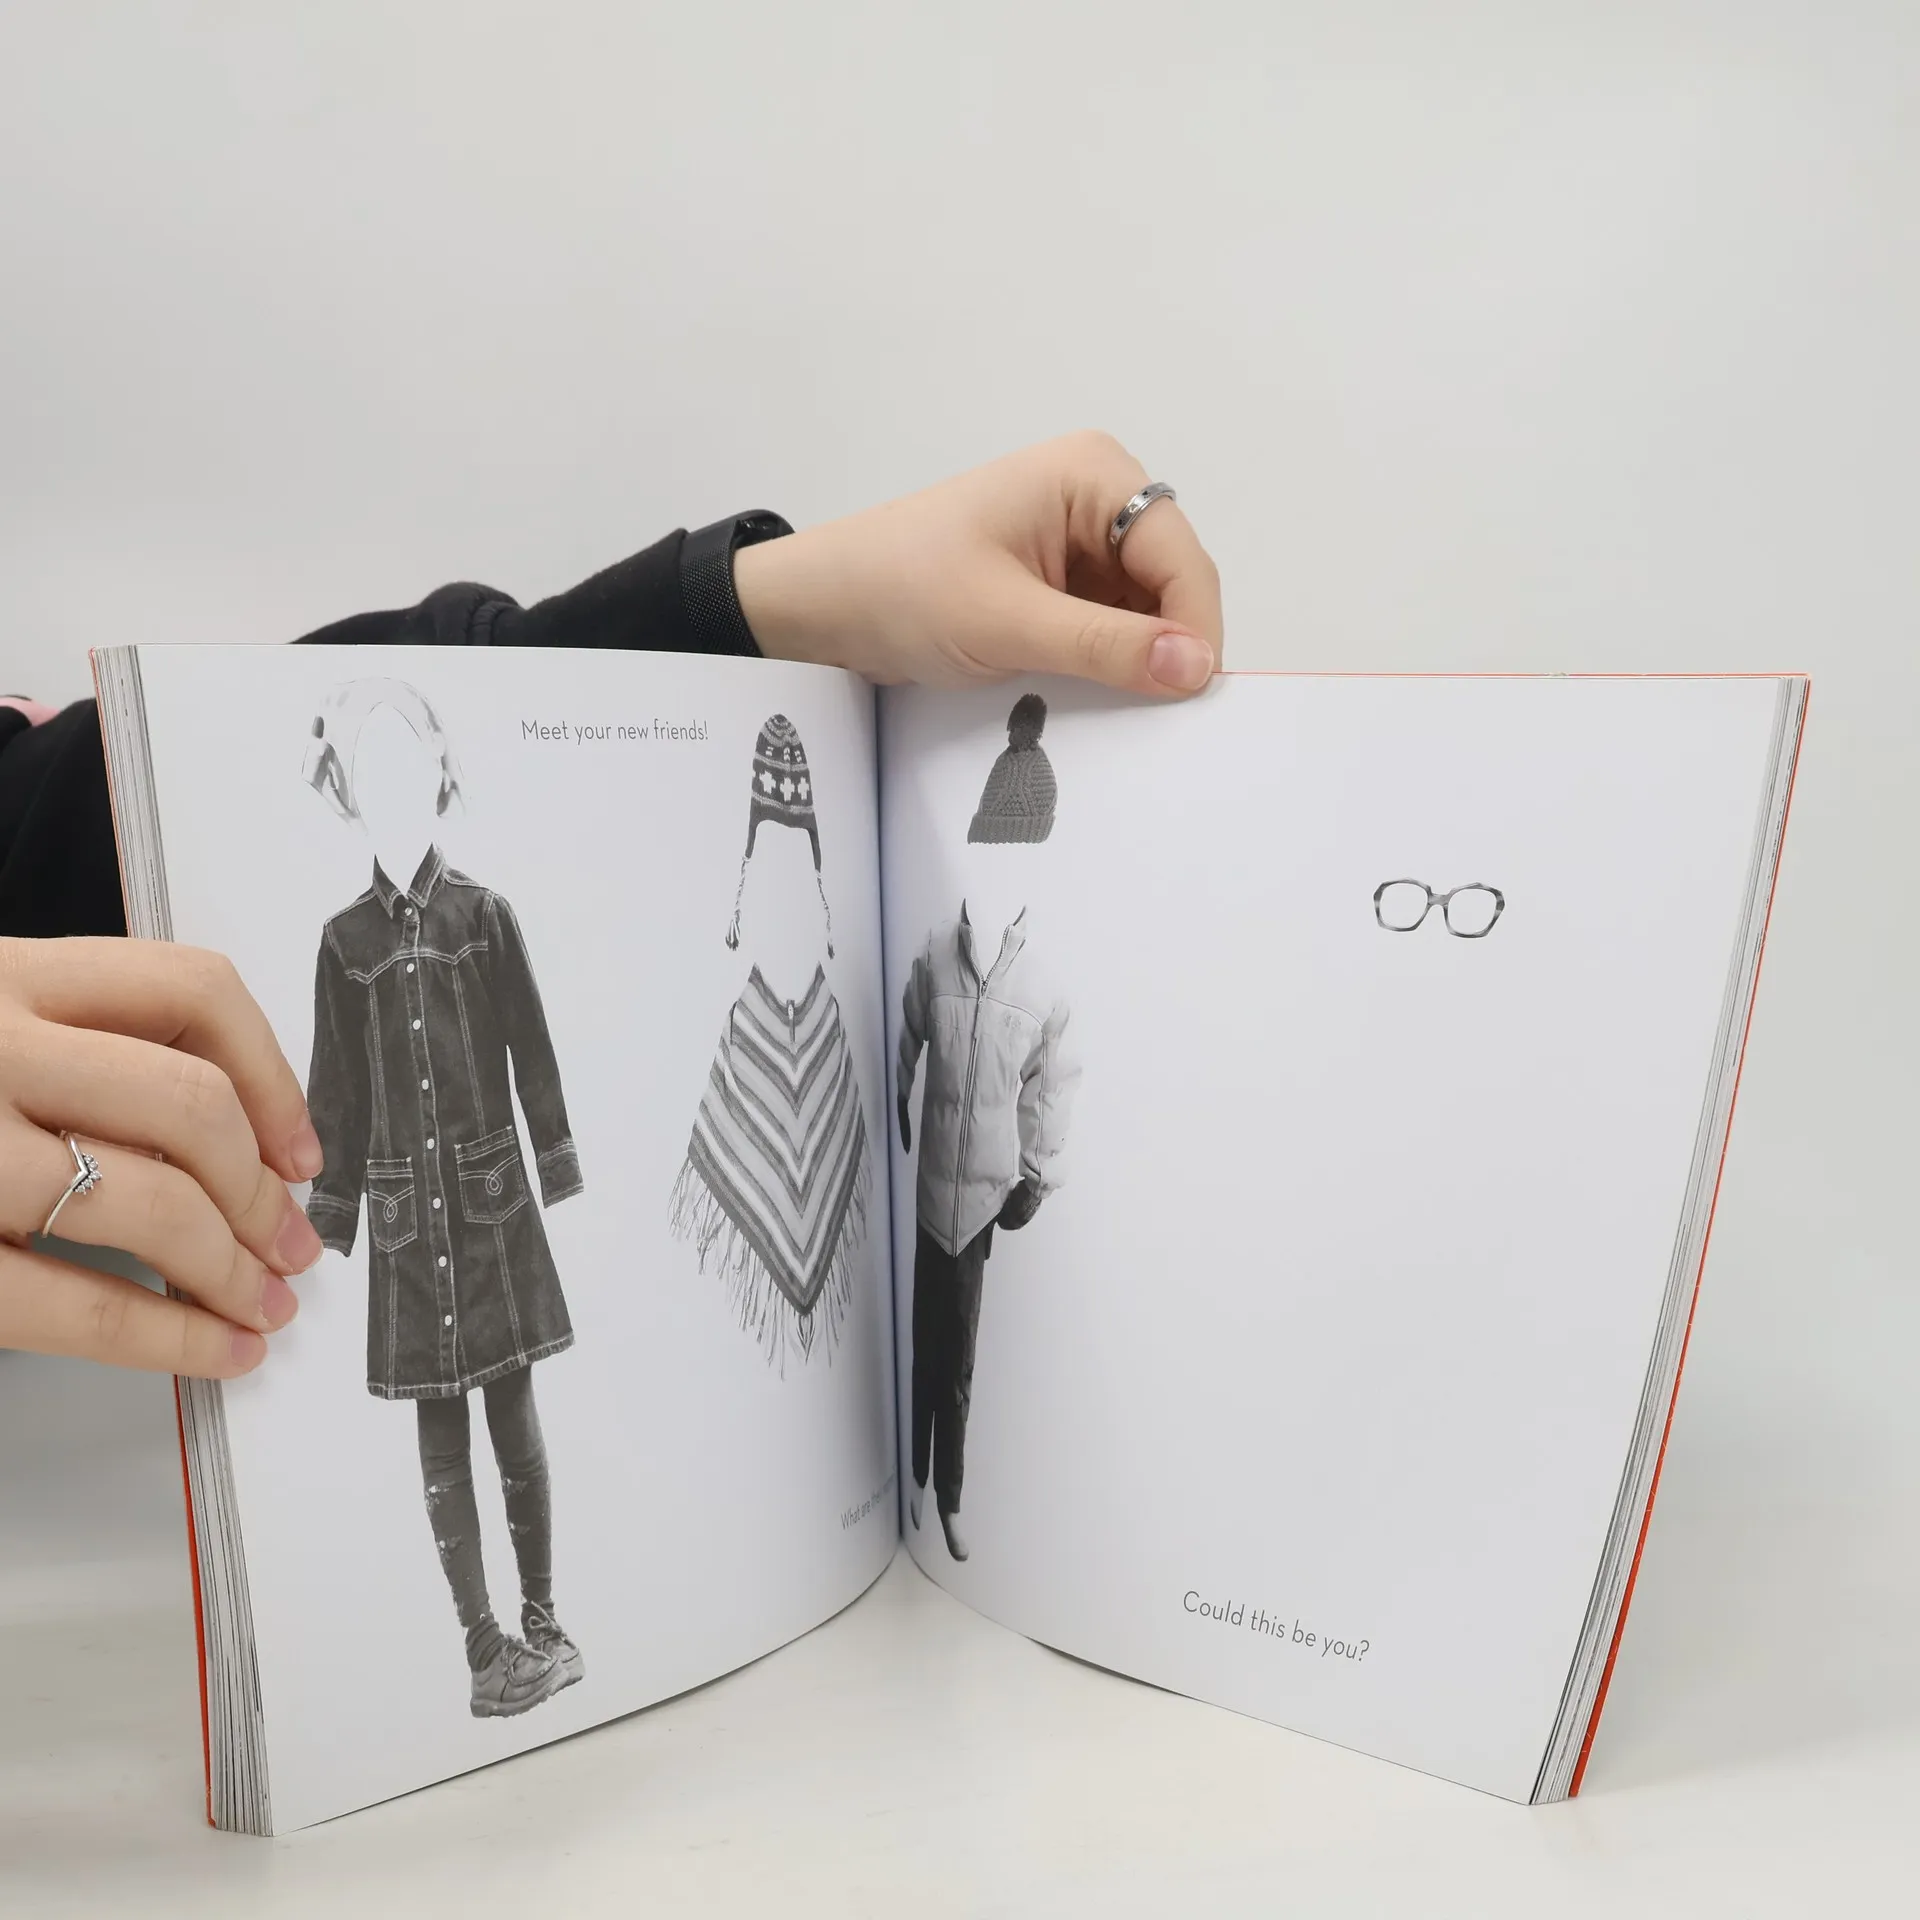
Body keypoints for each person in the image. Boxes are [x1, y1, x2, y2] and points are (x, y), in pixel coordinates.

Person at [0, 432, 1221, 1380]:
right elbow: (344, 1070)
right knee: (459, 1444)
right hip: (381, 1260)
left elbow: (73, 820)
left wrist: (745, 604)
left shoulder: (475, 905)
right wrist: (345, 1210)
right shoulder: (354, 935)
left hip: (516, 1210)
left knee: (526, 1425)